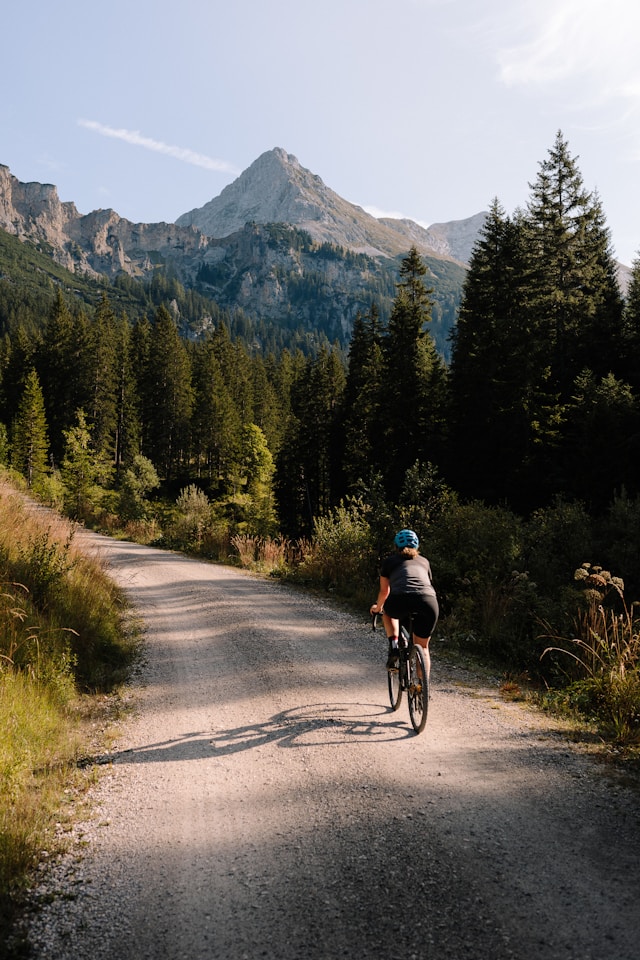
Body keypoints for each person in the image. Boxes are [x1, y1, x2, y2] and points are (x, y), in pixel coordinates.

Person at [369, 529, 439, 676]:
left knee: (387, 612)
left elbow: (384, 592)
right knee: (423, 647)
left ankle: (394, 644)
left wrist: (377, 608)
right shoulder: (424, 561)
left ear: (396, 546)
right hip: (428, 602)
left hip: (400, 599)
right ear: (417, 546)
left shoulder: (389, 562)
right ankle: (422, 686)